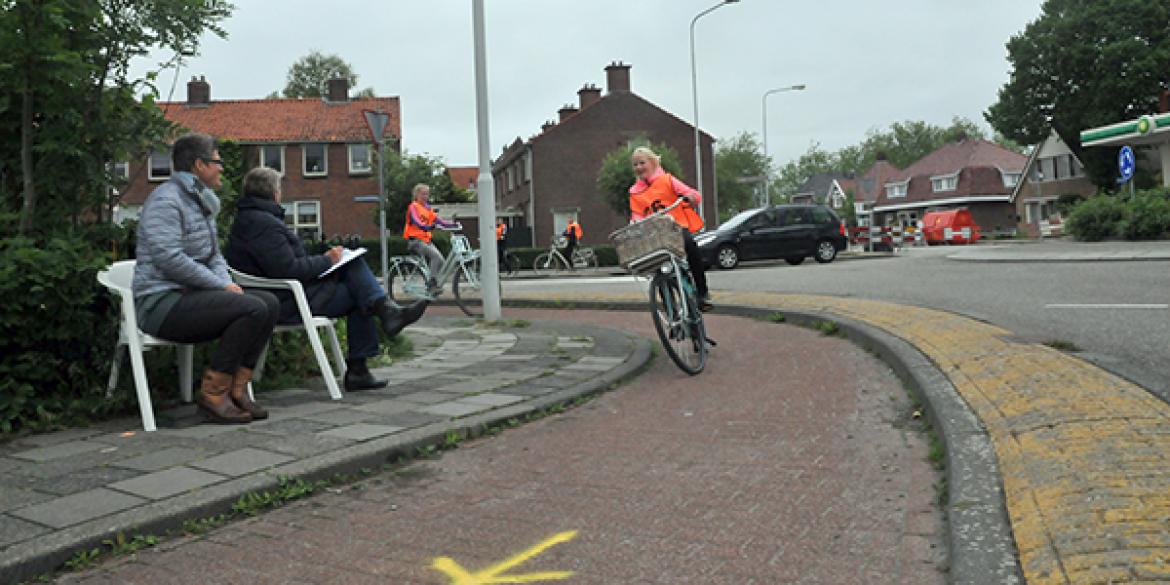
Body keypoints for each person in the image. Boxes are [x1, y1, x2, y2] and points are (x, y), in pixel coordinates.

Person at [226, 167, 427, 392]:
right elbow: (289, 269)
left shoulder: (253, 220)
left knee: (356, 278)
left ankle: (383, 315)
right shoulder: (263, 224)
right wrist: (328, 261)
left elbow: (287, 261)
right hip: (287, 301)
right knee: (359, 292)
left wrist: (325, 256)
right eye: (280, 188)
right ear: (274, 193)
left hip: (284, 295)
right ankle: (368, 348)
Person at [132, 133, 279, 424]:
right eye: (217, 161)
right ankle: (213, 396)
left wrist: (227, 283)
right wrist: (221, 285)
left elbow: (213, 257)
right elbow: (169, 259)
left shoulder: (199, 201)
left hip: (190, 296)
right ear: (199, 165)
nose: (222, 167)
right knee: (251, 308)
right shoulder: (166, 201)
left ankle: (236, 391)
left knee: (269, 303)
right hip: (160, 303)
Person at [628, 146, 712, 310]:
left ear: (652, 163)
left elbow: (692, 194)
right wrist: (636, 223)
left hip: (675, 228)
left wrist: (690, 197)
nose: (639, 168)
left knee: (690, 246)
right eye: (635, 165)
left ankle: (702, 293)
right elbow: (637, 213)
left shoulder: (667, 180)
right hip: (654, 234)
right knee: (657, 268)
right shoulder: (634, 191)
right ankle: (670, 311)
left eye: (642, 163)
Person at [403, 183, 459, 293]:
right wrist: (426, 227)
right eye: (423, 194)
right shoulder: (413, 207)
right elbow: (416, 221)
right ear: (417, 195)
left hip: (425, 241)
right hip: (415, 240)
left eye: (427, 194)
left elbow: (439, 221)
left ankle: (432, 281)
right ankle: (432, 285)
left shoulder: (427, 209)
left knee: (441, 260)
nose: (425, 197)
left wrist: (453, 225)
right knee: (436, 257)